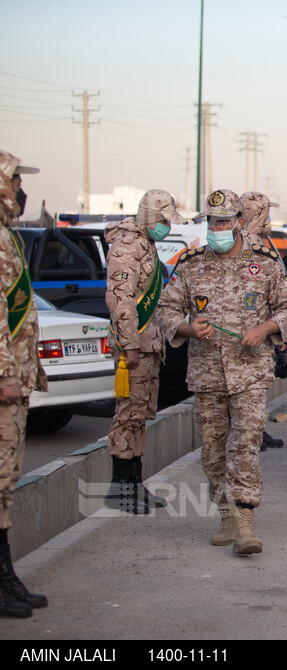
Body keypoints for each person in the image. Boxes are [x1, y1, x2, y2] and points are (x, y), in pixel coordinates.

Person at [156, 189, 287, 555]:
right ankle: (224, 513)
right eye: (212, 221)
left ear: (239, 222)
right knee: (212, 450)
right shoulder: (191, 264)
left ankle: (245, 525)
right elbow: (165, 310)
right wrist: (189, 328)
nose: (218, 227)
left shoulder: (265, 262)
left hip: (251, 374)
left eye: (224, 221)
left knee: (245, 445)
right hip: (207, 375)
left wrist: (265, 329)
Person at [103, 189, 187, 513]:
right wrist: (130, 345)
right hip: (133, 346)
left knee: (141, 413)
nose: (168, 227)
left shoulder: (146, 244)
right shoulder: (127, 246)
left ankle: (135, 484)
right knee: (128, 413)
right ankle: (118, 487)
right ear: (151, 217)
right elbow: (120, 300)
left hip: (148, 343)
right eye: (165, 221)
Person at [0, 150, 48, 618]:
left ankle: (5, 575)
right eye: (15, 180)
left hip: (15, 383)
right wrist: (5, 376)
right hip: (3, 384)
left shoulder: (8, 237)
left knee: (5, 483)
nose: (20, 189)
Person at [240, 191, 285, 452]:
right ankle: (251, 435)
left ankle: (258, 430)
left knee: (259, 387)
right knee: (248, 389)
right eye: (266, 213)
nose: (269, 218)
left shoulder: (261, 242)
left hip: (265, 328)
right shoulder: (246, 245)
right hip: (249, 331)